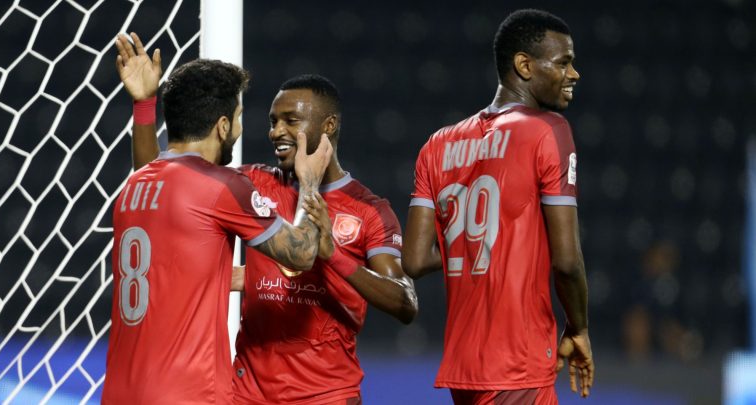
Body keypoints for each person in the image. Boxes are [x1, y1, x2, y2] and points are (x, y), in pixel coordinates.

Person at [120, 35, 418, 404]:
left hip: (325, 395)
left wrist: (333, 255)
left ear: (328, 126)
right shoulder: (251, 183)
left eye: (290, 121)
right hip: (247, 394)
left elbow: (405, 303)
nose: (275, 131)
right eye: (273, 121)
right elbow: (166, 181)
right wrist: (144, 105)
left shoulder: (368, 209)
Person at [102, 33, 332, 404]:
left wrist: (144, 104)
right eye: (238, 119)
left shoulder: (135, 186)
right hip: (190, 394)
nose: (240, 129)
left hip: (120, 392)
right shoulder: (222, 186)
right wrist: (309, 183)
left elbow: (156, 175)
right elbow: (302, 253)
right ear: (223, 126)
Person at [402, 9, 594, 404]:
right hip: (519, 360)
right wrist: (578, 328)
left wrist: (483, 241)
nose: (574, 74)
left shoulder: (437, 144)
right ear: (524, 65)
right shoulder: (548, 131)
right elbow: (566, 261)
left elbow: (415, 260)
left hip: (463, 368)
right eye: (563, 62)